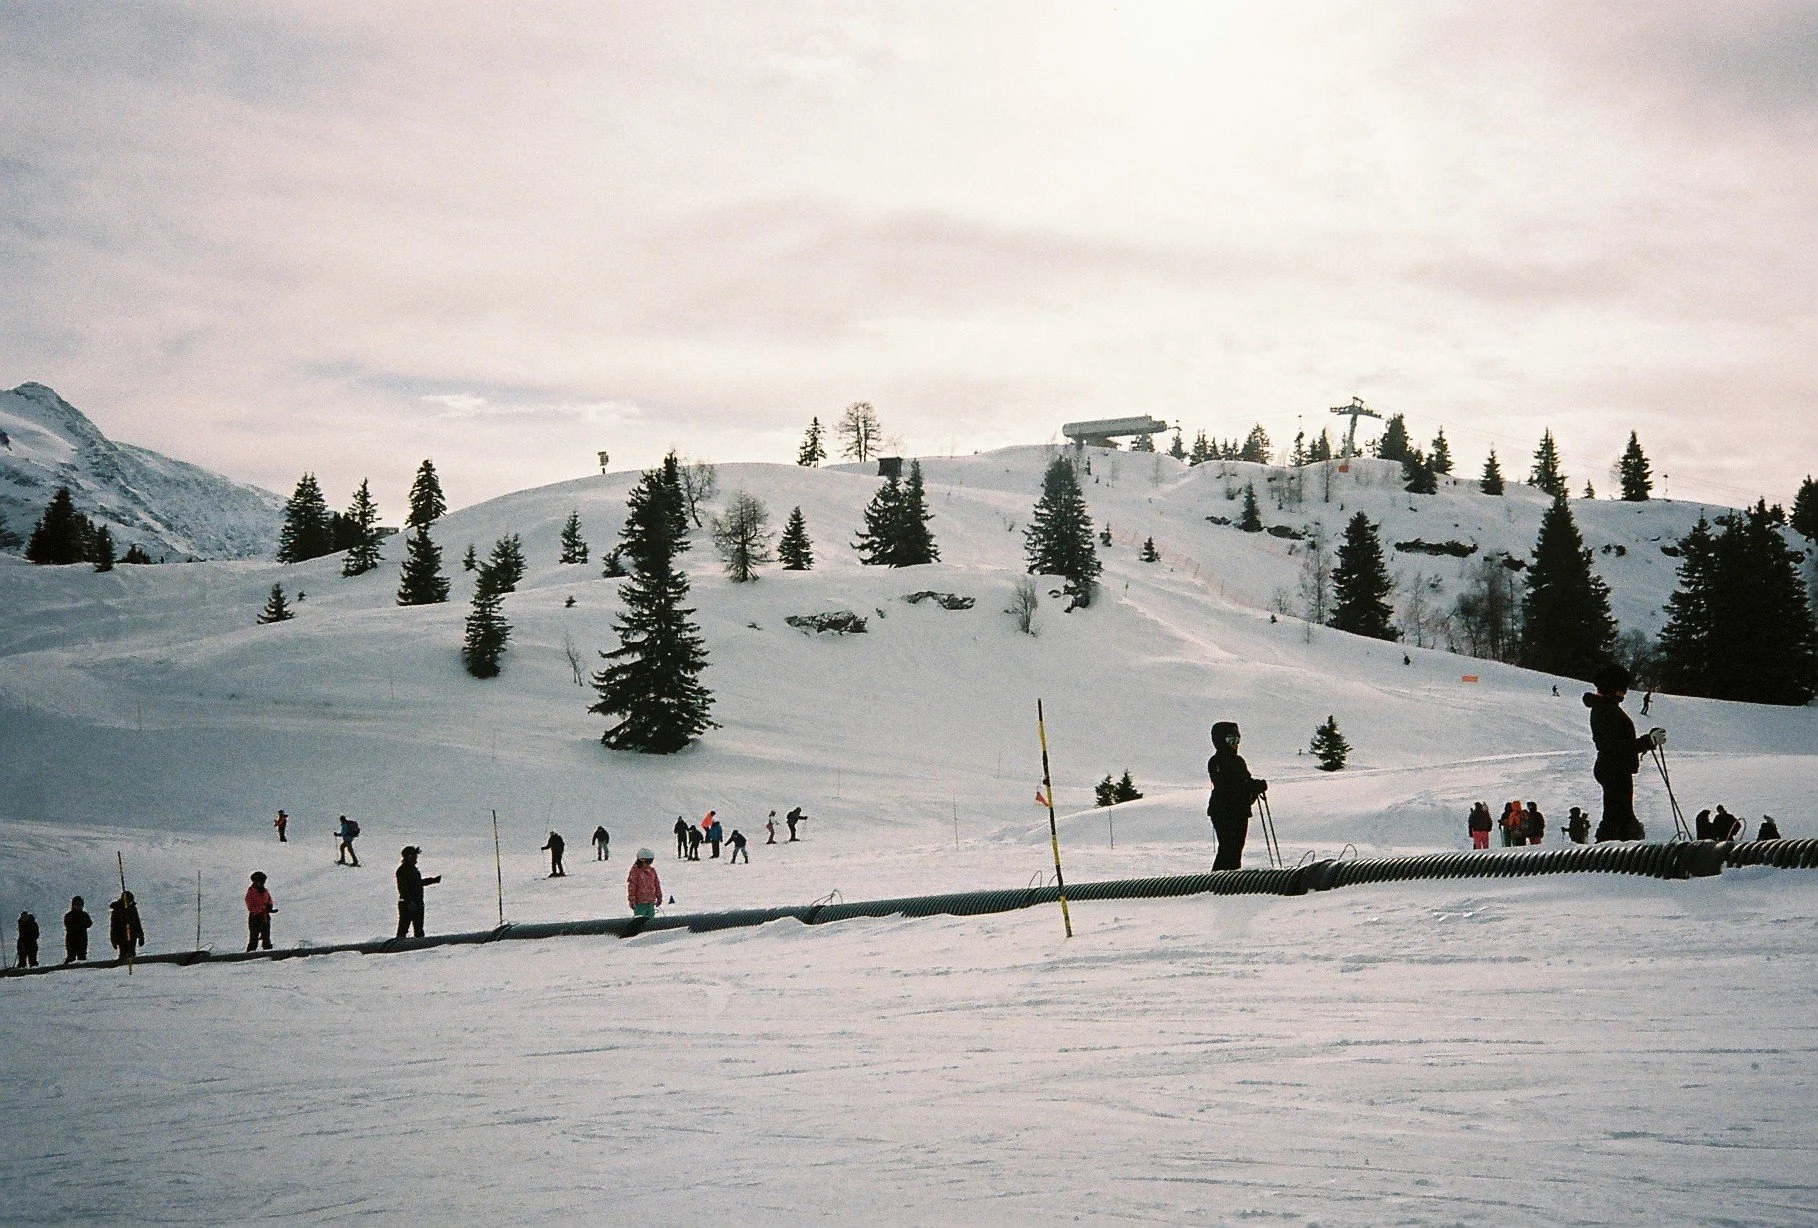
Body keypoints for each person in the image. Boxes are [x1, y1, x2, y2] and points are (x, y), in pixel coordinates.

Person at [1586, 664, 1662, 843]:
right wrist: (1647, 742)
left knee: (1622, 814)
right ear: (1613, 689)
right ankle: (1609, 854)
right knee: (1616, 816)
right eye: (1622, 689)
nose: (1624, 694)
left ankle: (1621, 847)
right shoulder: (1605, 710)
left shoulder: (1606, 708)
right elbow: (1615, 746)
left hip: (1615, 767)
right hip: (1613, 767)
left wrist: (1647, 740)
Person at [1206, 721, 1266, 871]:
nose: (1235, 744)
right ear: (1220, 741)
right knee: (1228, 847)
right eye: (1230, 740)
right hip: (1223, 810)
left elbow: (1244, 781)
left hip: (1239, 810)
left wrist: (1256, 786)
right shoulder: (1216, 762)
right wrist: (1250, 787)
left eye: (1237, 740)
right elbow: (1226, 785)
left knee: (1237, 848)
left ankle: (1232, 881)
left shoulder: (1239, 761)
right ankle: (1217, 882)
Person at [395, 846, 441, 939]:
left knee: (419, 930)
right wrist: (409, 902)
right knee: (403, 929)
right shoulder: (403, 870)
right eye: (415, 856)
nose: (416, 858)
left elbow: (417, 883)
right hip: (408, 904)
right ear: (409, 856)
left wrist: (432, 880)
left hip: (417, 903)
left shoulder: (412, 869)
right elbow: (403, 889)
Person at [244, 872, 276, 952]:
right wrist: (263, 908)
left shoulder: (265, 891)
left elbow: (269, 900)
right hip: (255, 917)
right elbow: (251, 907)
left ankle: (268, 951)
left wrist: (270, 907)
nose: (263, 883)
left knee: (266, 937)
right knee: (254, 938)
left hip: (265, 917)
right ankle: (250, 953)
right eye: (261, 880)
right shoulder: (250, 893)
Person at [110, 891, 144, 963]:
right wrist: (114, 940)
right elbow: (114, 926)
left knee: (131, 954)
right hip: (121, 936)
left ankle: (131, 968)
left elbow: (137, 922)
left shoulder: (133, 909)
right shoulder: (117, 910)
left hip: (132, 935)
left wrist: (141, 936)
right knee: (123, 954)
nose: (130, 904)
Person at [627, 849, 662, 919]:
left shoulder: (652, 871)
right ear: (642, 860)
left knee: (650, 919)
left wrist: (659, 896)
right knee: (640, 919)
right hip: (640, 902)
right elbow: (632, 886)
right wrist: (632, 899)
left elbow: (656, 884)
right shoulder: (635, 872)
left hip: (651, 900)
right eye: (648, 861)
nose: (649, 863)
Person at [63, 896, 92, 963]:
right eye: (77, 904)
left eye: (80, 904)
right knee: (71, 957)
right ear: (73, 905)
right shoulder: (69, 915)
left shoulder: (84, 914)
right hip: (71, 939)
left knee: (82, 958)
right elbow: (68, 925)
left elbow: (89, 923)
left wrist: (81, 925)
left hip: (82, 939)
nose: (79, 906)